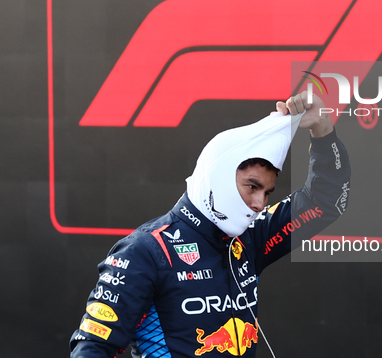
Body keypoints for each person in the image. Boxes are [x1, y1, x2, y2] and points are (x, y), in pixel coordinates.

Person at [69, 92, 351, 357]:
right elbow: (93, 347)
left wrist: (323, 130)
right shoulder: (146, 250)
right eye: (251, 187)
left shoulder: (249, 239)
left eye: (266, 193)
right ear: (219, 175)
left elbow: (326, 201)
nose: (259, 203)